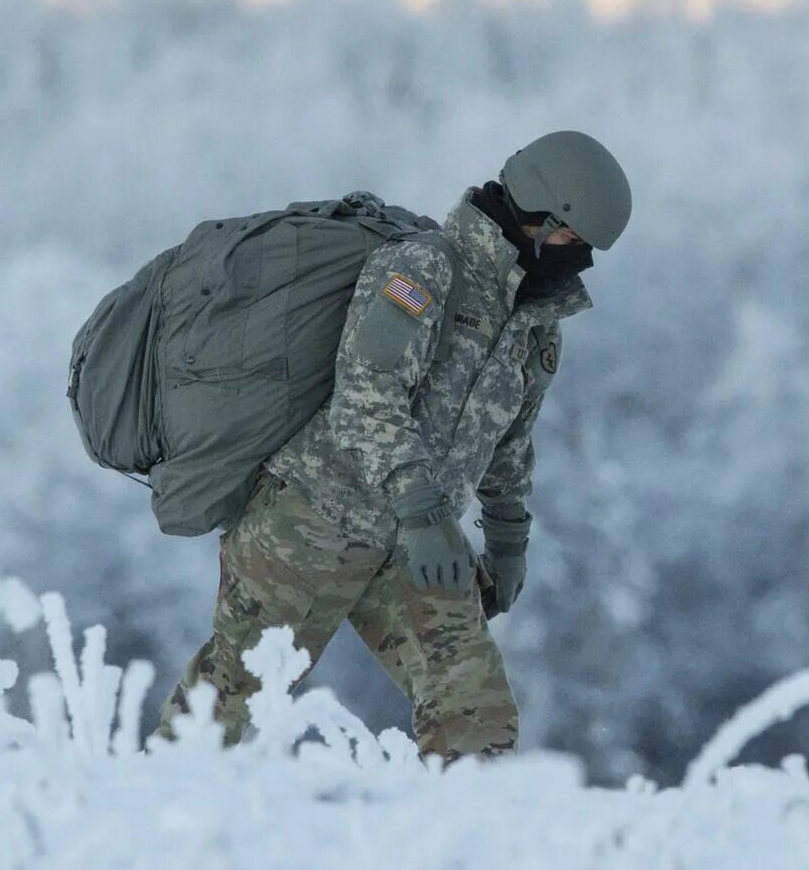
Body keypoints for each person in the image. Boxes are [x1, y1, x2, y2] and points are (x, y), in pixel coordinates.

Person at [157, 130, 631, 759]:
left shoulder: (533, 323)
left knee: (474, 708)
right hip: (312, 521)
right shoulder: (423, 269)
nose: (580, 261)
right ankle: (147, 817)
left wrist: (508, 539)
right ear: (539, 215)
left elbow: (510, 440)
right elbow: (366, 395)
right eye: (574, 241)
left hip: (416, 542)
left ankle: (470, 842)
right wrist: (421, 511)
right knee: (234, 693)